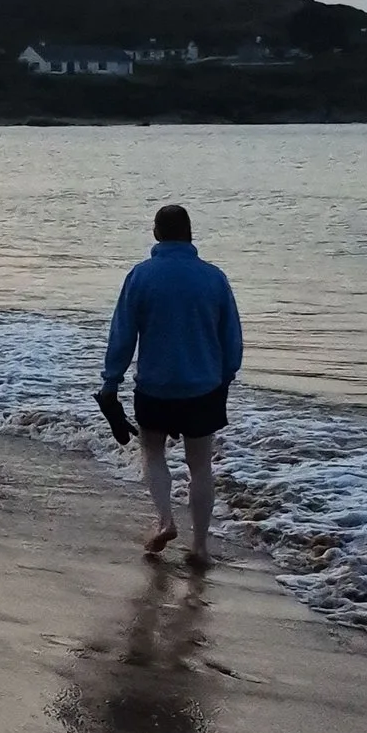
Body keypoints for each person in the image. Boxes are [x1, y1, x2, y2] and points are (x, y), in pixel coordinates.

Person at [99, 203, 243, 572]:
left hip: (156, 385)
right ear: (190, 233)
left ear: (156, 233)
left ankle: (165, 520)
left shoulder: (141, 276)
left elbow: (122, 334)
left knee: (153, 452)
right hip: (204, 385)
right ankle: (200, 547)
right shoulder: (214, 278)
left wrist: (111, 380)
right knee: (200, 466)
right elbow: (232, 337)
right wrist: (225, 376)